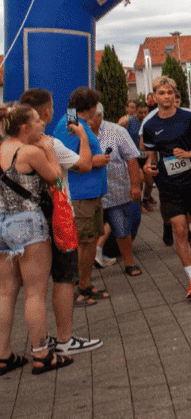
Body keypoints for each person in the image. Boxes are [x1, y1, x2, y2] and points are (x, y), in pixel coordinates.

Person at [17, 89, 101, 357]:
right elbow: (85, 164)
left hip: (22, 221)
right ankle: (65, 338)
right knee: (64, 280)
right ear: (45, 112)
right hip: (58, 217)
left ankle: (36, 344)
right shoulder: (51, 144)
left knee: (30, 291)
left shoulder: (9, 148)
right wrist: (83, 135)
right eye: (52, 107)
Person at [0, 104, 66, 375]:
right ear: (24, 127)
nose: (42, 125)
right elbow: (56, 180)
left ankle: (3, 355)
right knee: (35, 292)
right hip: (28, 223)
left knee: (5, 292)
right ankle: (41, 353)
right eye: (37, 121)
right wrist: (49, 150)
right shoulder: (29, 152)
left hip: (2, 223)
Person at [141, 76, 191, 300]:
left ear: (175, 95)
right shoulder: (150, 125)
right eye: (162, 93)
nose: (166, 97)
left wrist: (190, 154)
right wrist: (148, 168)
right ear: (154, 96)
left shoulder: (190, 118)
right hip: (168, 184)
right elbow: (150, 157)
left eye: (170, 92)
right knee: (179, 229)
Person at [52, 87, 110, 306]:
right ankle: (74, 289)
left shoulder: (75, 121)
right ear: (93, 106)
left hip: (91, 192)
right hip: (79, 194)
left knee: (91, 241)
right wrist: (93, 161)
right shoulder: (71, 126)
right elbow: (66, 158)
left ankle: (85, 284)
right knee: (81, 243)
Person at [93, 104, 144, 276]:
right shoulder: (76, 132)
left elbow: (132, 158)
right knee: (88, 233)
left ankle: (129, 263)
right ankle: (86, 272)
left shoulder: (116, 131)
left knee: (122, 230)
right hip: (90, 194)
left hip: (116, 192)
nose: (87, 120)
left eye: (91, 116)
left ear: (99, 115)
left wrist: (135, 186)